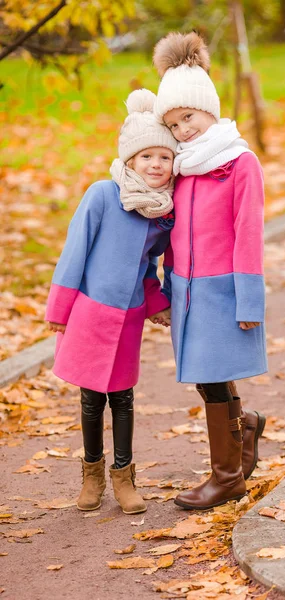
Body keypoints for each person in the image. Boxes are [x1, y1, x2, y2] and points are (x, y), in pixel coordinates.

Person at [45, 89, 177, 514]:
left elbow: (146, 267)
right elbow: (75, 251)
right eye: (146, 157)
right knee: (90, 399)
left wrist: (156, 302)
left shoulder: (161, 214)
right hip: (89, 313)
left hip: (128, 318)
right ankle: (92, 474)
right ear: (129, 160)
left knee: (122, 397)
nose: (155, 165)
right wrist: (59, 309)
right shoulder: (103, 195)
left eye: (164, 157)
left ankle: (124, 477)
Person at [153, 32, 267, 510]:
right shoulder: (183, 169)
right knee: (205, 378)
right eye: (174, 124)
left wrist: (248, 300)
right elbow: (173, 233)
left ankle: (226, 477)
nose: (182, 131)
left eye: (189, 118)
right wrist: (164, 289)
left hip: (224, 290)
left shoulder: (239, 163)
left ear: (210, 111)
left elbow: (248, 235)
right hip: (186, 291)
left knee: (215, 378)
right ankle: (244, 436)